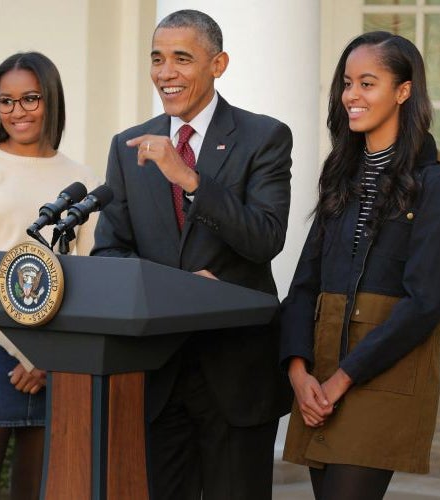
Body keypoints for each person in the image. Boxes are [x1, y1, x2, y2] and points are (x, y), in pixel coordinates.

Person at [91, 9, 293, 500]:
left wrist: (190, 180)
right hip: (158, 376)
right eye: (157, 59)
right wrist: (170, 292)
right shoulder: (128, 147)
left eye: (182, 58)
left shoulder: (264, 137)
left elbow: (266, 237)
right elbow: (109, 253)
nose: (165, 73)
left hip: (236, 373)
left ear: (218, 64)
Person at [279, 31, 440, 500]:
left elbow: (426, 301)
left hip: (382, 376)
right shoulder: (341, 175)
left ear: (403, 91)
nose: (351, 95)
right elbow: (305, 283)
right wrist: (299, 371)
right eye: (347, 83)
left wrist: (344, 377)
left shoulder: (438, 185)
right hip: (322, 374)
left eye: (368, 83)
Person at [0, 51, 99, 499]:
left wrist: (48, 357)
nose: (16, 111)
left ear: (50, 99)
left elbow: (86, 278)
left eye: (29, 98)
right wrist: (24, 351)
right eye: (4, 101)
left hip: (55, 357)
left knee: (39, 492)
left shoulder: (80, 178)